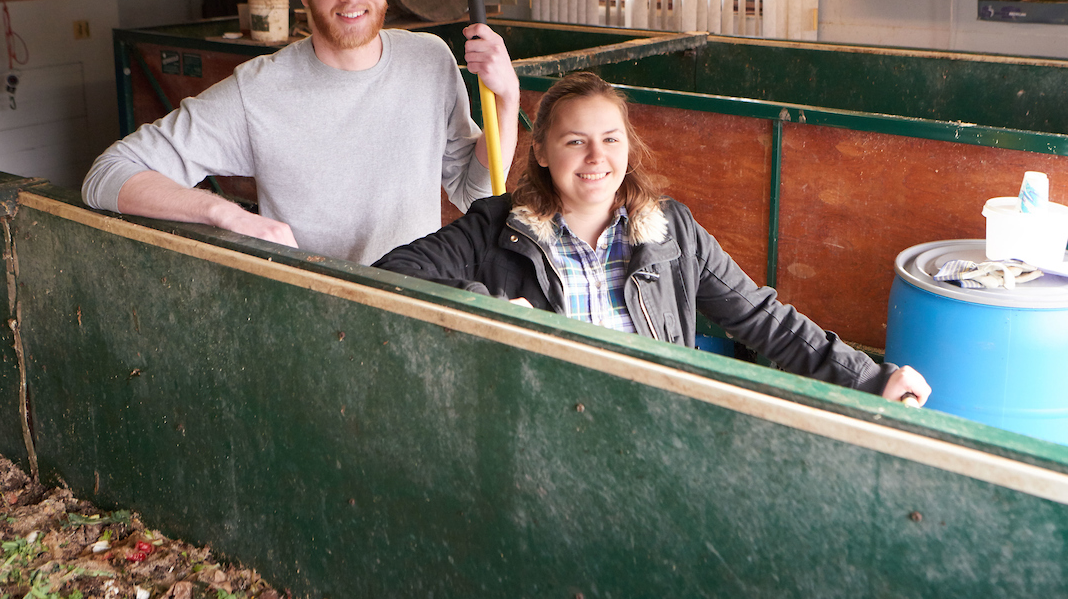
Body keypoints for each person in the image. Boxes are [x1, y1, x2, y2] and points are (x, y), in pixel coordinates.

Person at [374, 72, 931, 402]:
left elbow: (766, 321)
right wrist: (493, 310)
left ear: (627, 147)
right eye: (575, 142)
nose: (597, 158)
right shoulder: (494, 227)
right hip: (541, 423)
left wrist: (871, 379)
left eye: (611, 139)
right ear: (541, 152)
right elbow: (393, 275)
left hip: (654, 423)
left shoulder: (671, 233)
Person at [82, 0, 520, 266]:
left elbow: (472, 189)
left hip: (415, 300)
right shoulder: (258, 91)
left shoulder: (429, 59)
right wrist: (226, 214)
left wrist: (506, 98)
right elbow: (108, 174)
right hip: (313, 313)